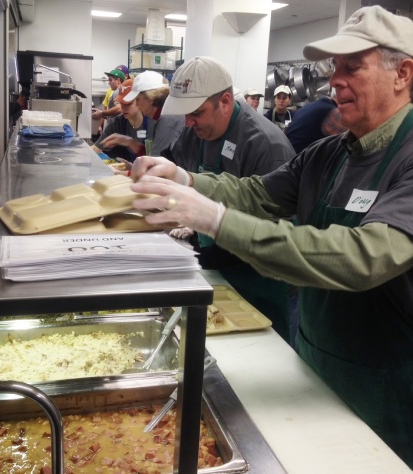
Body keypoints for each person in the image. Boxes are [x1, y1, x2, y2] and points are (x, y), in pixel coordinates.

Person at [129, 6, 413, 468]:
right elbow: (258, 193)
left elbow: (365, 257)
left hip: (385, 380)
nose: (333, 81)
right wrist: (186, 180)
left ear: (402, 73)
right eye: (333, 69)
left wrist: (216, 220)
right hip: (314, 357)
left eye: (351, 67)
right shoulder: (327, 155)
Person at [151, 56, 297, 342]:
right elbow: (188, 177)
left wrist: (213, 232)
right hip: (213, 268)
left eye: (196, 112)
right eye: (185, 114)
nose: (188, 121)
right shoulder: (195, 134)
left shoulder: (266, 145)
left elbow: (274, 229)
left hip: (257, 279)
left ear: (226, 102)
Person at [101, 70, 184, 161]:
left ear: (150, 97)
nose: (137, 105)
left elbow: (156, 163)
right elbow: (153, 153)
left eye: (138, 99)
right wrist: (129, 142)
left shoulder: (168, 120)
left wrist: (130, 172)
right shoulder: (159, 118)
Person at [92, 79, 155, 163]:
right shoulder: (118, 122)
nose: (123, 108)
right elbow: (96, 148)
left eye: (128, 104)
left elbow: (156, 159)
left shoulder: (153, 123)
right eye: (121, 103)